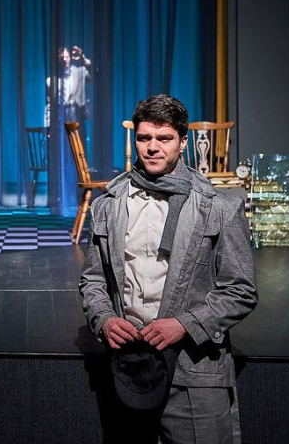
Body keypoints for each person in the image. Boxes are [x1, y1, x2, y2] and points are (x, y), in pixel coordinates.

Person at [78, 94, 257, 443]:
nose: (152, 147)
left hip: (194, 369)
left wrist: (185, 324)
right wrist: (105, 319)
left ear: (183, 142)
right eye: (144, 138)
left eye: (164, 138)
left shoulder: (219, 207)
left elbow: (241, 290)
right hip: (129, 367)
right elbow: (93, 280)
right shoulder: (108, 206)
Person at [45, 45, 92, 127]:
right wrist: (48, 125)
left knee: (75, 134)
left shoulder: (79, 72)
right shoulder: (51, 81)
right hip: (59, 119)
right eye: (61, 58)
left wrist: (85, 61)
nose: (64, 59)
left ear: (70, 58)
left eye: (66, 57)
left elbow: (96, 75)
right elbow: (50, 105)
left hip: (75, 116)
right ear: (57, 60)